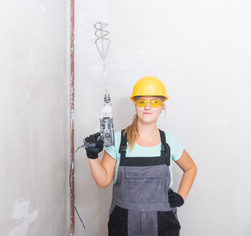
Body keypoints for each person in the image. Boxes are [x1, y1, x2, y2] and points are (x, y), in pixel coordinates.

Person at [84, 76, 197, 236]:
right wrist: (92, 156)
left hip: (163, 222)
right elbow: (103, 182)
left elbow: (191, 168)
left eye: (154, 102)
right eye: (142, 102)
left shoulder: (168, 142)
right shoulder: (118, 140)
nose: (148, 107)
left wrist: (181, 197)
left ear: (162, 107)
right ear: (135, 105)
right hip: (123, 223)